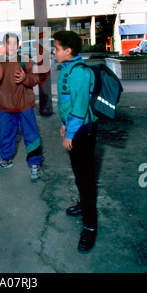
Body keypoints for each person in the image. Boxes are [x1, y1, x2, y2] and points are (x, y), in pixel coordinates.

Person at [53, 30, 98, 253]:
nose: (54, 51)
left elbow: (80, 108)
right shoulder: (66, 69)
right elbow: (66, 102)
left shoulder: (79, 73)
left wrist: (70, 133)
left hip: (82, 130)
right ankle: (83, 204)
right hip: (73, 126)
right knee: (80, 174)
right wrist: (64, 123)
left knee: (86, 179)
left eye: (57, 48)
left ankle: (90, 228)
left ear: (68, 51)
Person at [0, 33, 42, 182]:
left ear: (18, 45)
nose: (12, 46)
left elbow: (35, 79)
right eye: (9, 43)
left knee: (31, 135)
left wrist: (24, 78)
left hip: (24, 105)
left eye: (15, 43)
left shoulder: (25, 61)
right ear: (4, 45)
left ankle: (34, 165)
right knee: (6, 135)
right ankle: (6, 160)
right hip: (6, 106)